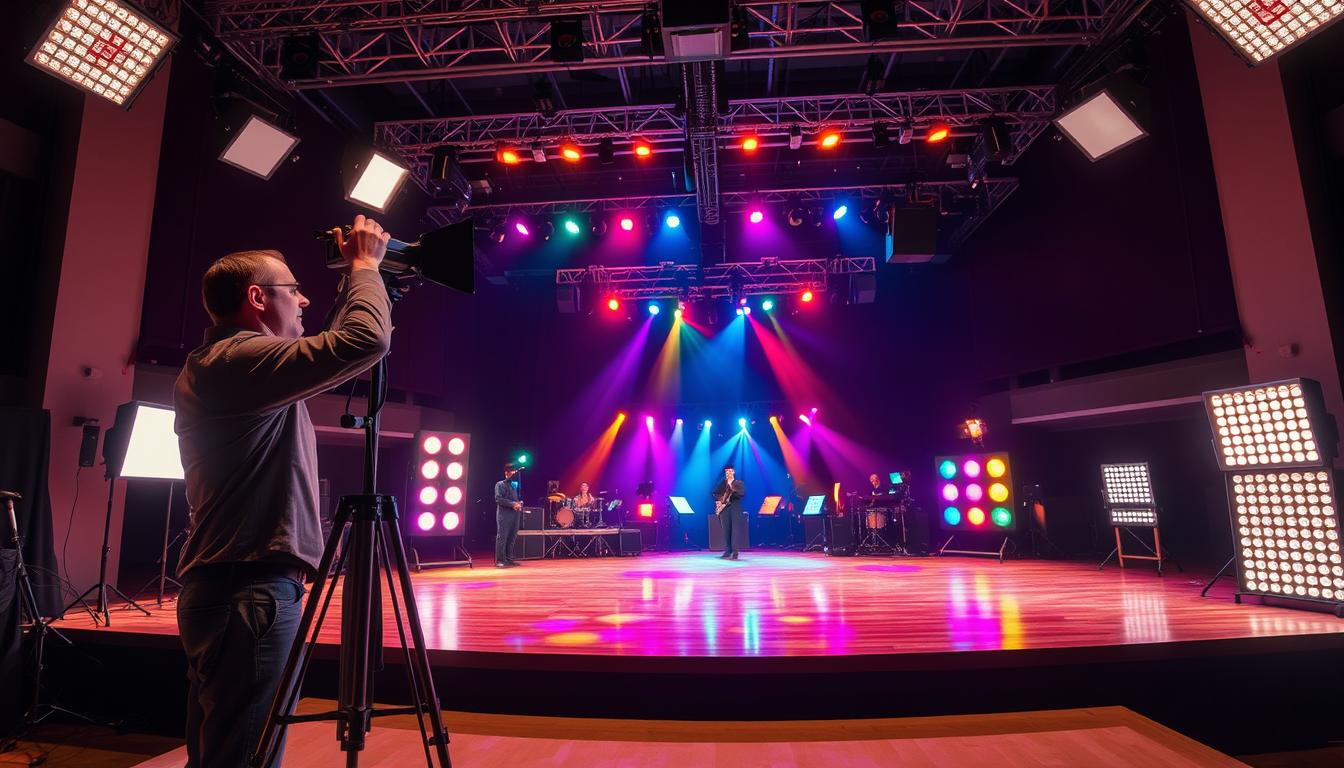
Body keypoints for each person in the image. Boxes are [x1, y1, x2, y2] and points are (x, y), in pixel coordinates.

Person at [173, 214, 392, 768]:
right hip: (250, 595)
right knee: (245, 756)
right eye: (292, 289)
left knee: (224, 753)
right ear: (257, 298)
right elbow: (365, 341)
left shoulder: (231, 366)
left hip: (238, 593)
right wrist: (365, 267)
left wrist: (355, 279)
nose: (304, 301)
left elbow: (336, 342)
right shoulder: (237, 360)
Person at [712, 466, 746, 560]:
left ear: (733, 472)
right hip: (724, 509)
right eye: (726, 471)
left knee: (735, 530)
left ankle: (735, 551)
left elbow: (741, 494)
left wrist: (731, 489)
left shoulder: (738, 483)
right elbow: (715, 493)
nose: (728, 473)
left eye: (730, 471)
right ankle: (728, 550)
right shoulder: (723, 483)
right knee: (726, 530)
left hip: (735, 508)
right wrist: (719, 500)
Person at [494, 464, 523, 567]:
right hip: (504, 515)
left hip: (514, 515)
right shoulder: (500, 484)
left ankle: (509, 559)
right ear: (506, 472)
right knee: (502, 537)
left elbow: (514, 499)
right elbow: (498, 499)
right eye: (512, 471)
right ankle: (500, 560)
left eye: (515, 471)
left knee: (512, 537)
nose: (514, 473)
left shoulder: (514, 486)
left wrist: (519, 503)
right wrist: (512, 504)